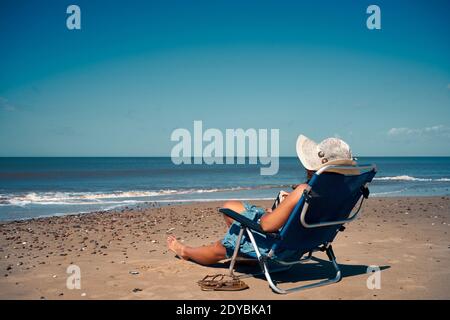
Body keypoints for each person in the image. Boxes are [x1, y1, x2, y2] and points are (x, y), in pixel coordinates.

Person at [167, 134, 355, 265]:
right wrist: (287, 208)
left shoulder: (304, 191)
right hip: (308, 241)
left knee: (222, 245)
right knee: (231, 205)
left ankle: (186, 252)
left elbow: (266, 226)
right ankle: (246, 253)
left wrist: (274, 212)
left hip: (280, 248)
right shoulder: (345, 191)